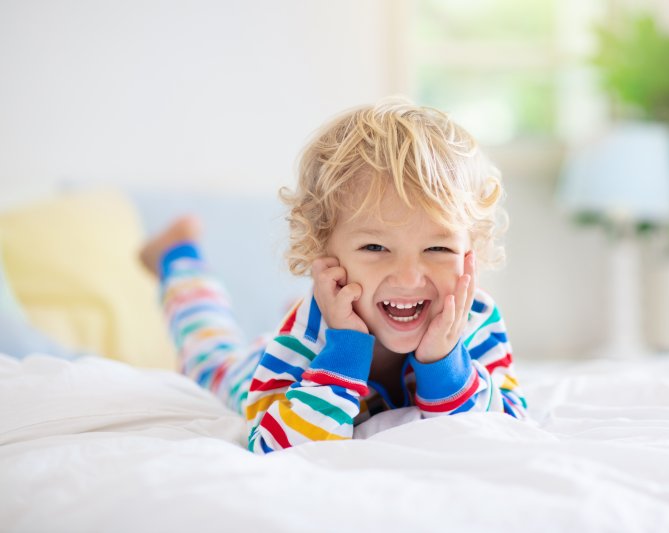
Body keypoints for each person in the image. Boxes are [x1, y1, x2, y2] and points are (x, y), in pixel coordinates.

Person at [140, 98, 528, 455]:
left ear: (470, 253)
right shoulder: (308, 333)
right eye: (375, 248)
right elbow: (277, 448)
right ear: (323, 251)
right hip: (266, 363)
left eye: (438, 249)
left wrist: (445, 363)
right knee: (211, 356)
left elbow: (503, 430)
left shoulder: (474, 318)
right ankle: (178, 256)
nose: (410, 278)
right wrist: (344, 351)